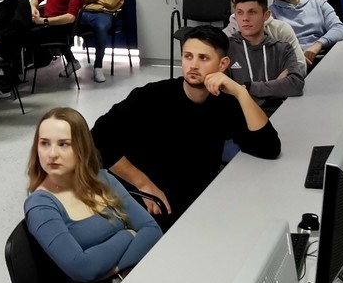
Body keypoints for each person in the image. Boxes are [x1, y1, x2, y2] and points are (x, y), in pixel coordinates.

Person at [92, 26, 281, 229]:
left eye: (203, 58)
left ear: (223, 64)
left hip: (197, 203)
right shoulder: (150, 97)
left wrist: (241, 93)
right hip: (150, 205)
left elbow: (268, 147)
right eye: (188, 56)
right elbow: (96, 139)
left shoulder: (224, 104)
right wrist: (143, 183)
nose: (193, 65)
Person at [24, 107, 162, 283]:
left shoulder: (102, 178)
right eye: (44, 143)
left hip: (143, 270)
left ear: (81, 147)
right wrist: (128, 235)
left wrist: (112, 268)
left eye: (63, 144)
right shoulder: (40, 205)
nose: (52, 154)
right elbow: (83, 269)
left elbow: (152, 231)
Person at [225, 0, 305, 113]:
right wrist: (275, 87)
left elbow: (295, 85)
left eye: (252, 12)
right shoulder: (225, 48)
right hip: (238, 118)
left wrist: (248, 88)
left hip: (276, 117)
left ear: (266, 15)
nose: (245, 18)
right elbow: (223, 95)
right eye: (240, 13)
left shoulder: (283, 49)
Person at [266, 0, 343, 67]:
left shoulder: (320, 5)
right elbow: (269, 44)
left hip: (323, 57)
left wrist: (318, 44)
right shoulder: (270, 13)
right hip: (291, 62)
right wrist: (297, 56)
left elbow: (339, 29)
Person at [32, 0, 84, 76]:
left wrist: (44, 21)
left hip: (62, 25)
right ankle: (71, 61)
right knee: (21, 26)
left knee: (28, 33)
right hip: (48, 23)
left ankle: (44, 58)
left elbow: (70, 17)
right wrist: (33, 7)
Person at [78, 0, 125, 83]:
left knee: (101, 27)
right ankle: (71, 61)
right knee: (66, 22)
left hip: (105, 13)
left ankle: (98, 67)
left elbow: (110, 2)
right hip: (86, 12)